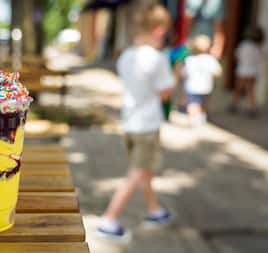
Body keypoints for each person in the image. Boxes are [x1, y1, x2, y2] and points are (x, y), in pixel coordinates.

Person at [96, 4, 175, 242]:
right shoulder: (158, 59)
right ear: (159, 30)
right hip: (147, 126)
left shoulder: (126, 56)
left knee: (145, 170)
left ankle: (154, 211)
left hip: (130, 123)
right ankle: (109, 220)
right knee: (137, 174)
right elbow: (165, 93)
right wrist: (177, 76)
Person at [183, 35, 222, 126]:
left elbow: (184, 73)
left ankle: (194, 120)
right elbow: (218, 72)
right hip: (206, 87)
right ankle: (202, 118)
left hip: (192, 87)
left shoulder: (190, 59)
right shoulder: (210, 59)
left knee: (192, 104)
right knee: (203, 103)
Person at [229, 26, 264, 117]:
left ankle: (234, 105)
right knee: (251, 90)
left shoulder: (243, 45)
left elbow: (237, 56)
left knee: (238, 89)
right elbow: (261, 58)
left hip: (242, 70)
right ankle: (252, 108)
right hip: (253, 71)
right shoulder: (258, 48)